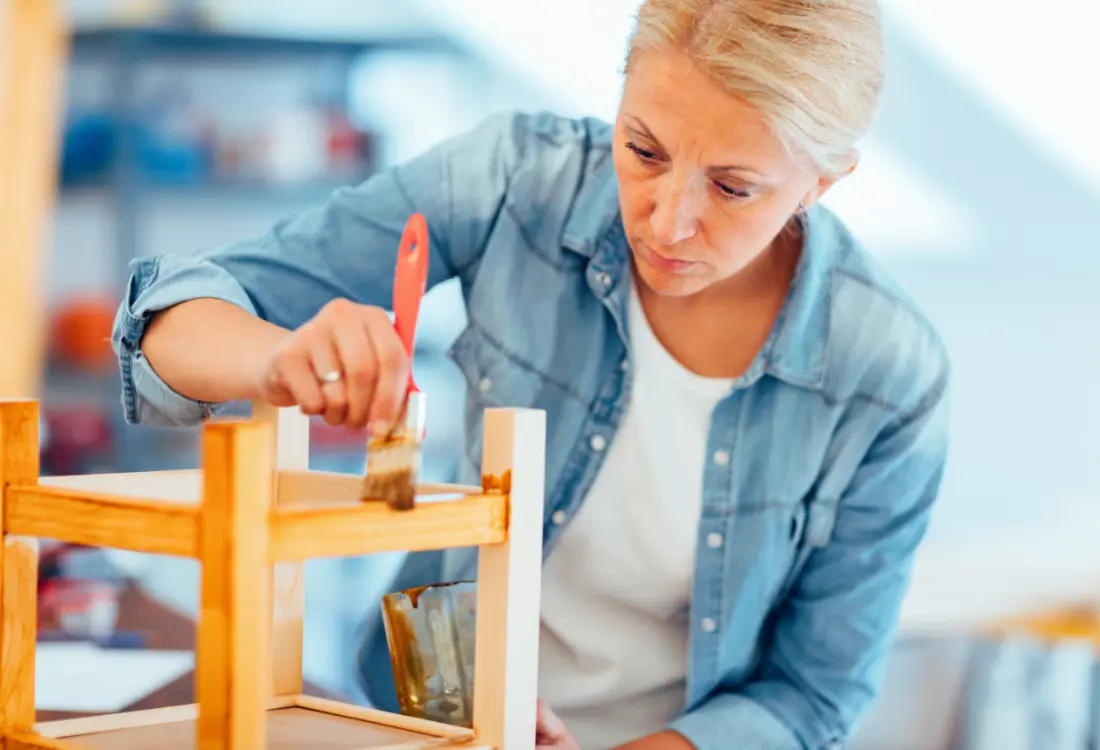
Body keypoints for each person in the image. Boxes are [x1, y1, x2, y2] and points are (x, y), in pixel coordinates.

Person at [111, 0, 951, 748]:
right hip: (429, 718)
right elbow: (168, 317)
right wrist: (277, 356)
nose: (668, 221)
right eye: (644, 149)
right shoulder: (517, 179)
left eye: (733, 188)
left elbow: (812, 698)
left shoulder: (886, 372)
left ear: (825, 180)